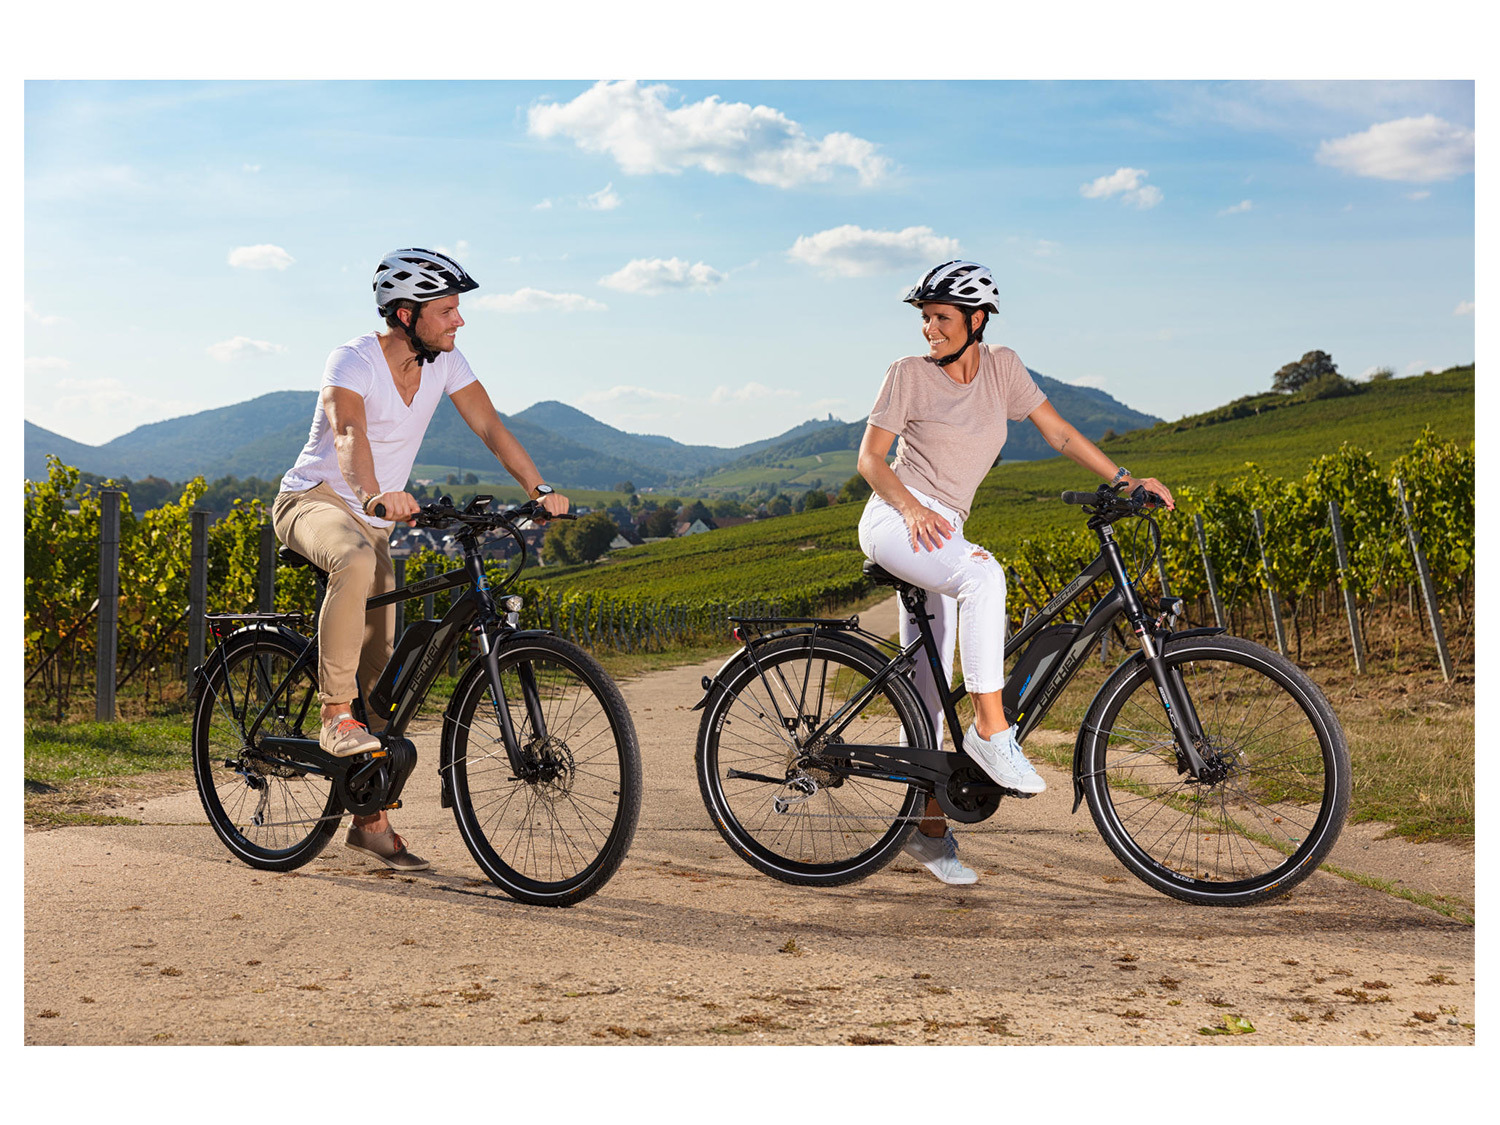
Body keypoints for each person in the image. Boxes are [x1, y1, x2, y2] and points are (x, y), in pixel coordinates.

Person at [855, 260, 1175, 886]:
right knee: (983, 575)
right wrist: (912, 508)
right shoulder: (907, 375)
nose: (929, 329)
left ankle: (927, 832)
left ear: (977, 320)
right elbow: (870, 460)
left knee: (926, 693)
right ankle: (991, 730)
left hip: (942, 528)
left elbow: (1059, 433)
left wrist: (1124, 479)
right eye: (925, 318)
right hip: (897, 519)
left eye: (941, 318)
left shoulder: (1003, 368)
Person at [272, 247, 569, 871]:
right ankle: (333, 714)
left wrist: (538, 490)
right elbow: (348, 431)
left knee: (382, 673)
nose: (460, 320)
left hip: (376, 520)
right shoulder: (353, 359)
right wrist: (372, 493)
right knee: (353, 560)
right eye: (448, 309)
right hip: (317, 500)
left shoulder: (446, 361)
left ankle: (370, 821)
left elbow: (489, 426)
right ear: (406, 314)